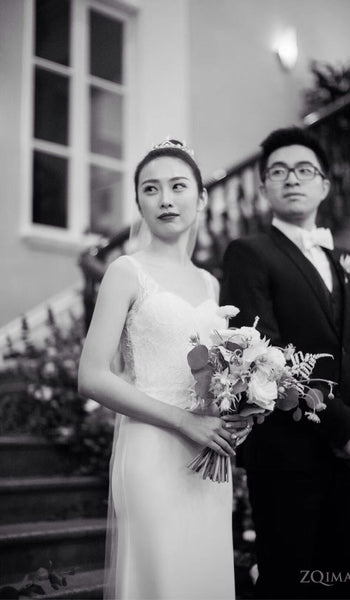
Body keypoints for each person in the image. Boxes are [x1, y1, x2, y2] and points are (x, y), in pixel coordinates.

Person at [78, 139, 251, 600]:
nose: (166, 199)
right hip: (152, 450)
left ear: (201, 197)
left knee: (203, 578)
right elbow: (91, 376)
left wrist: (237, 410)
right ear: (139, 201)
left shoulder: (210, 283)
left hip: (207, 461)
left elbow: (212, 373)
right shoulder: (125, 271)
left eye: (178, 186)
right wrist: (183, 420)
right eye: (151, 189)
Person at [220, 126, 350, 599]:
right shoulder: (249, 254)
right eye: (279, 171)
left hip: (347, 458)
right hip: (287, 458)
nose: (292, 178)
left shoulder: (348, 260)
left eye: (304, 170)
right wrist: (339, 424)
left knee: (337, 580)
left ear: (324, 184)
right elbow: (262, 356)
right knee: (288, 583)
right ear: (264, 186)